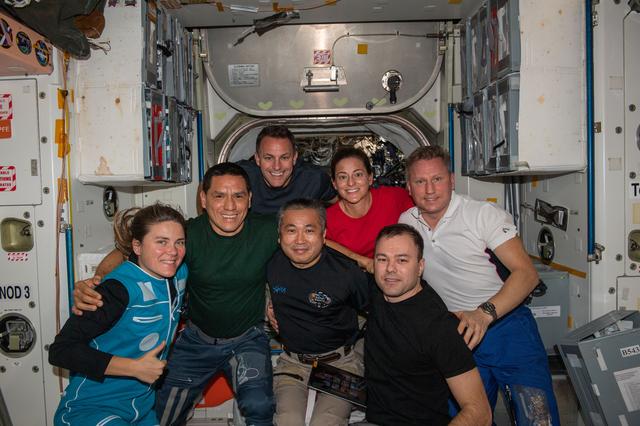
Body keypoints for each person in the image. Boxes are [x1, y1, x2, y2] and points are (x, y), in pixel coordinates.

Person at [73, 163, 279, 426]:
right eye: (219, 195)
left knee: (259, 406)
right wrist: (97, 282)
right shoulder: (187, 235)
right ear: (203, 199)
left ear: (249, 199)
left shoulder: (267, 230)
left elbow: (311, 243)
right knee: (162, 415)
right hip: (197, 339)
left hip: (247, 338)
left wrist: (281, 298)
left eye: (238, 195)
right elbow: (124, 252)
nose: (230, 205)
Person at [399, 146, 560, 425]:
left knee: (536, 417)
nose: (430, 189)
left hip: (507, 327)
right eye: (420, 181)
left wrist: (484, 314)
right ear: (409, 187)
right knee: (468, 418)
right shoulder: (406, 223)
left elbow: (527, 274)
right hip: (458, 334)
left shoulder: (483, 214)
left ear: (451, 180)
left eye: (437, 179)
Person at [49, 203, 188, 425]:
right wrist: (134, 368)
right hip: (93, 409)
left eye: (179, 242)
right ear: (137, 246)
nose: (173, 251)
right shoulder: (116, 290)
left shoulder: (179, 272)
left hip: (141, 409)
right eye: (161, 242)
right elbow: (61, 351)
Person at [365, 223, 491, 426]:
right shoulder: (376, 293)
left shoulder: (439, 327)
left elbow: (479, 413)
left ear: (420, 266)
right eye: (382, 259)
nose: (390, 268)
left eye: (402, 260)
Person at [267, 199, 370, 426]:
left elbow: (376, 313)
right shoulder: (273, 264)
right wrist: (267, 305)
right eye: (291, 230)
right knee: (288, 421)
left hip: (341, 364)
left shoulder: (346, 272)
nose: (300, 240)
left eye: (309, 230)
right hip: (292, 363)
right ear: (279, 236)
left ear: (323, 235)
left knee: (325, 422)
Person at [325, 147, 413, 272]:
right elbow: (320, 243)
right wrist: (364, 262)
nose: (351, 183)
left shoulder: (394, 198)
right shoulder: (328, 219)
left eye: (358, 174)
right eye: (343, 177)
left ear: (370, 178)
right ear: (334, 183)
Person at [237, 125, 337, 214]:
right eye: (268, 158)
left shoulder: (314, 179)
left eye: (284, 158)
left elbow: (342, 204)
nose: (277, 166)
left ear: (294, 158)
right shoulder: (240, 176)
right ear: (258, 159)